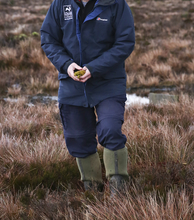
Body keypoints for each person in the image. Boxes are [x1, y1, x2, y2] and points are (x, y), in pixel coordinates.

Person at [40, 0, 135, 194]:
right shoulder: (60, 4)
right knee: (78, 138)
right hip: (71, 83)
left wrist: (95, 67)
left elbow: (125, 42)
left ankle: (120, 195)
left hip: (108, 82)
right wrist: (66, 64)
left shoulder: (116, 4)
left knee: (110, 130)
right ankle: (92, 193)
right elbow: (48, 38)